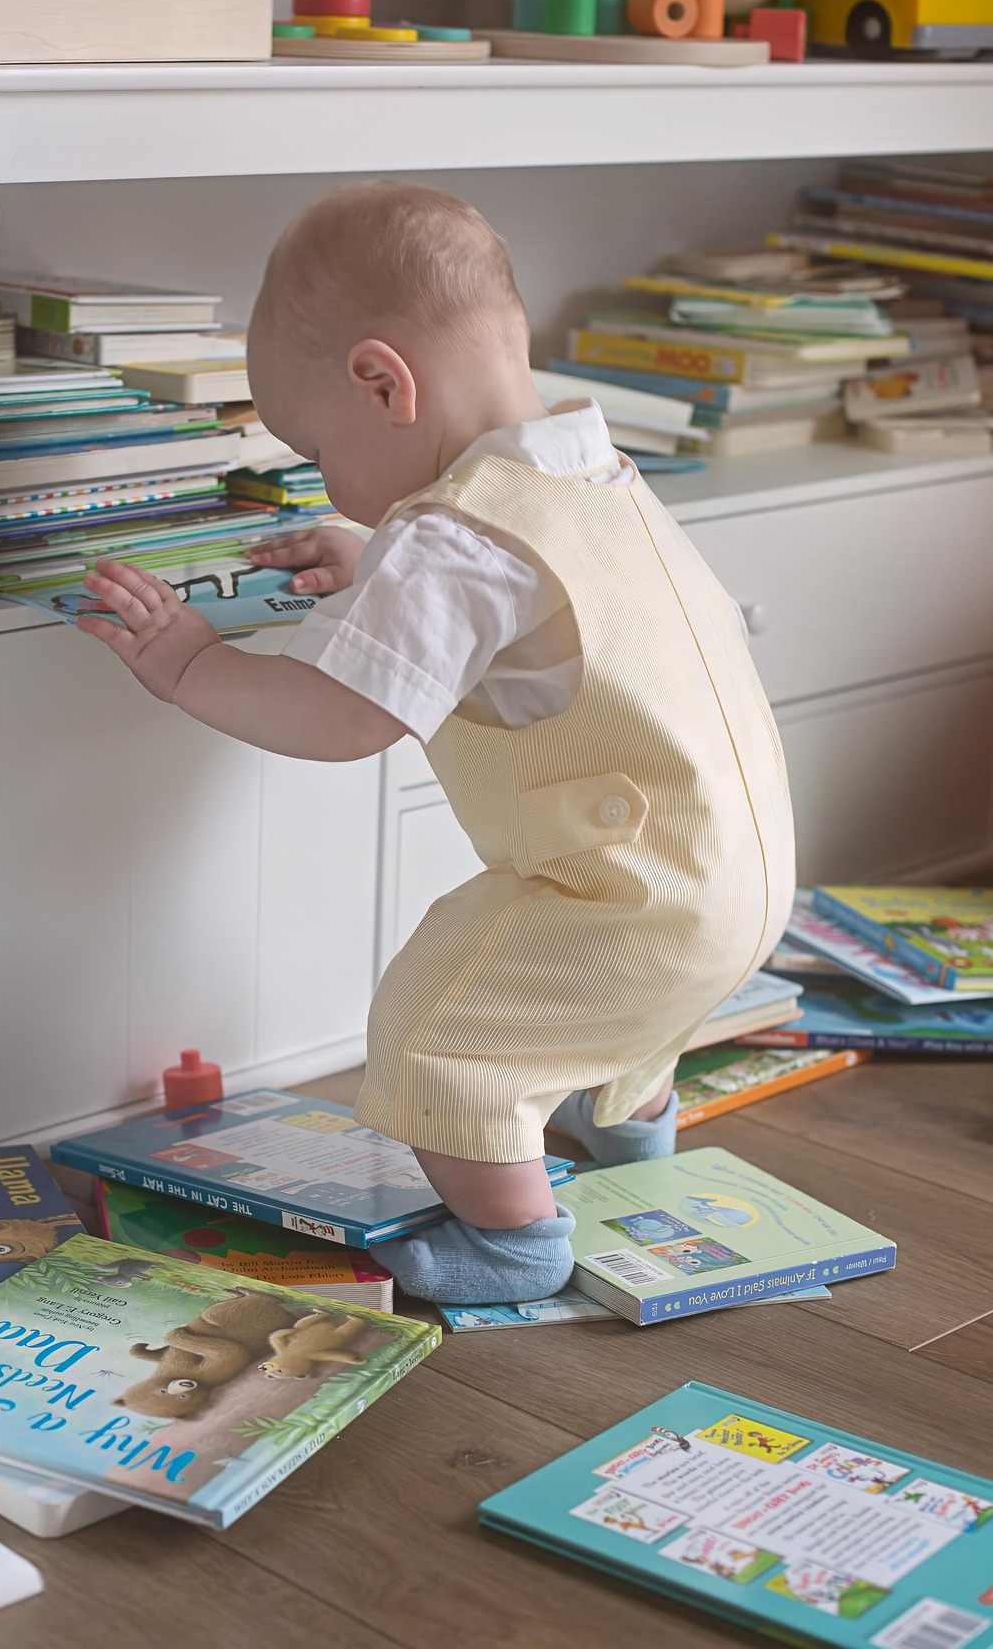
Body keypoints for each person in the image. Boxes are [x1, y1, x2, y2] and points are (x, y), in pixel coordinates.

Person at [79, 182, 795, 1305]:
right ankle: (627, 1134)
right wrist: (380, 568)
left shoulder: (454, 537)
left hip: (624, 895)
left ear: (383, 383)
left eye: (317, 446)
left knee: (437, 1026)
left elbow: (343, 717)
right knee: (619, 1009)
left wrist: (190, 664)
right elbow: (525, 606)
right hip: (738, 881)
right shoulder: (592, 475)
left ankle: (511, 1244)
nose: (323, 476)